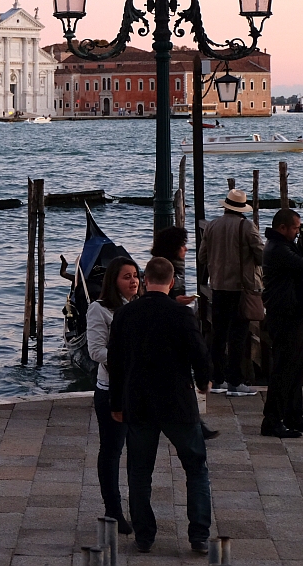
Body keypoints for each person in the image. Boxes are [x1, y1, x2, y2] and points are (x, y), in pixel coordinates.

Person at [109, 257, 213, 555]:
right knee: (195, 468)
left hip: (139, 404)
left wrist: (117, 404)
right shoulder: (182, 314)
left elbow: (115, 365)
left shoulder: (125, 315)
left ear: (144, 279)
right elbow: (200, 354)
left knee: (140, 472)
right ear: (171, 282)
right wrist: (204, 382)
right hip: (178, 404)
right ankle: (199, 534)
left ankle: (144, 535)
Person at [85, 256, 139, 536]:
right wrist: (130, 359)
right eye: (126, 277)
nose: (133, 281)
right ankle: (113, 509)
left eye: (135, 275)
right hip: (111, 391)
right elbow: (96, 352)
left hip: (139, 390)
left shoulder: (139, 307)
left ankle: (139, 508)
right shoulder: (100, 309)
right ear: (113, 281)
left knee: (140, 451)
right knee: (112, 450)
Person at [262, 208, 303, 438]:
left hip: (294, 315)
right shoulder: (278, 248)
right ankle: (272, 421)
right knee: (284, 369)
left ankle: (293, 415)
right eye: (295, 228)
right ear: (282, 228)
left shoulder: (285, 245)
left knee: (296, 369)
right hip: (285, 316)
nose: (299, 231)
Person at [152, 226, 220, 440]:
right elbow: (155, 298)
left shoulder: (174, 266)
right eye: (183, 245)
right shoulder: (163, 267)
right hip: (166, 329)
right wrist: (176, 302)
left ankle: (195, 424)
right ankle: (195, 425)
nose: (186, 249)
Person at [199, 188, 264, 397]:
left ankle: (217, 379)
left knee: (219, 335)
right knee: (238, 335)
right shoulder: (247, 227)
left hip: (218, 287)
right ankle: (235, 381)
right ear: (242, 208)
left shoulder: (212, 225)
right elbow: (261, 256)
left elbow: (202, 257)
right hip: (240, 288)